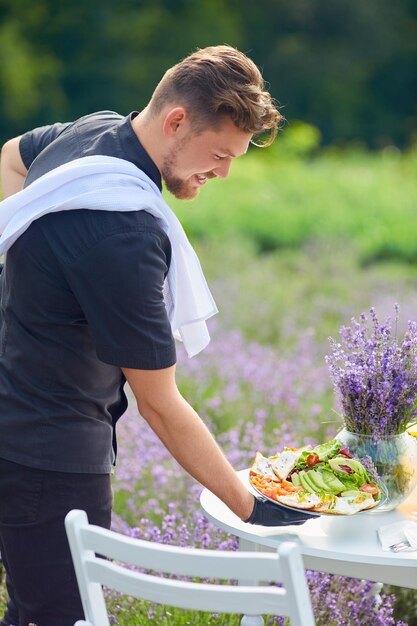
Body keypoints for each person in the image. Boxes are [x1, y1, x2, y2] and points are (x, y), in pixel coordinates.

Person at [0, 45, 309, 626]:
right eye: (219, 153)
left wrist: (21, 267)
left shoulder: (90, 135)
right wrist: (251, 508)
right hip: (50, 457)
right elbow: (160, 405)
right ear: (176, 121)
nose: (223, 172)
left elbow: (11, 158)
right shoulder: (123, 233)